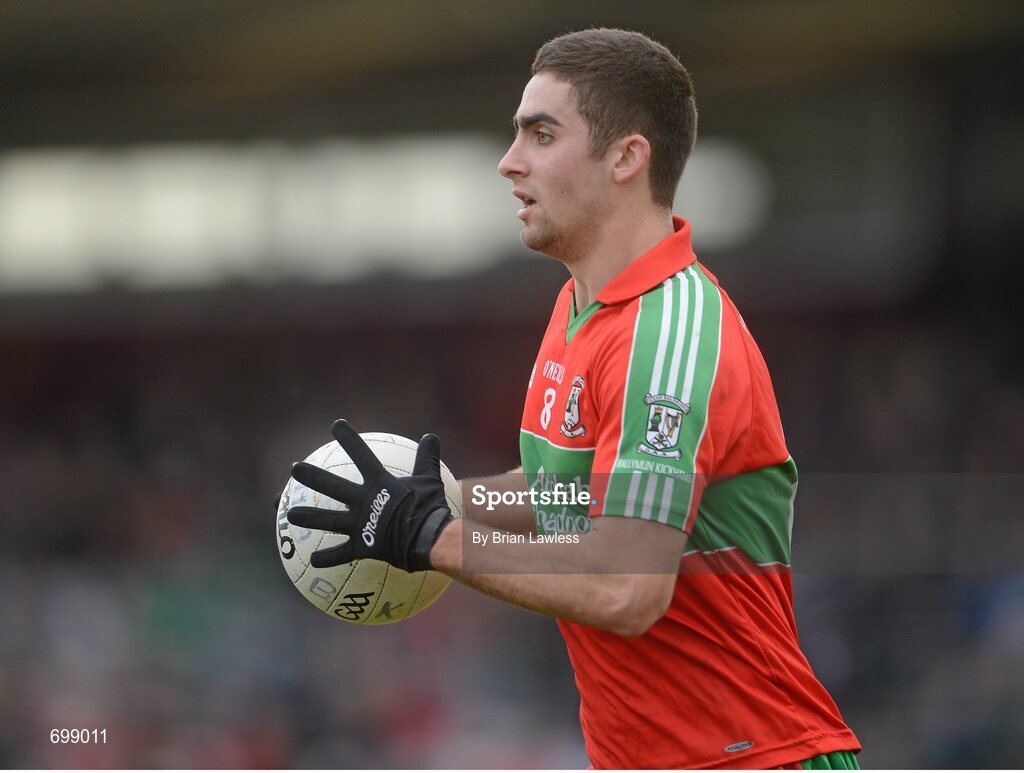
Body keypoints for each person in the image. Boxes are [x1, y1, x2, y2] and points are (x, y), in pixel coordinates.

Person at [287, 28, 861, 769]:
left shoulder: (667, 331)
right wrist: (450, 500)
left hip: (754, 757)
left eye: (541, 133)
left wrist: (439, 538)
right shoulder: (578, 309)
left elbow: (629, 585)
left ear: (626, 157)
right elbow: (571, 489)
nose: (510, 160)